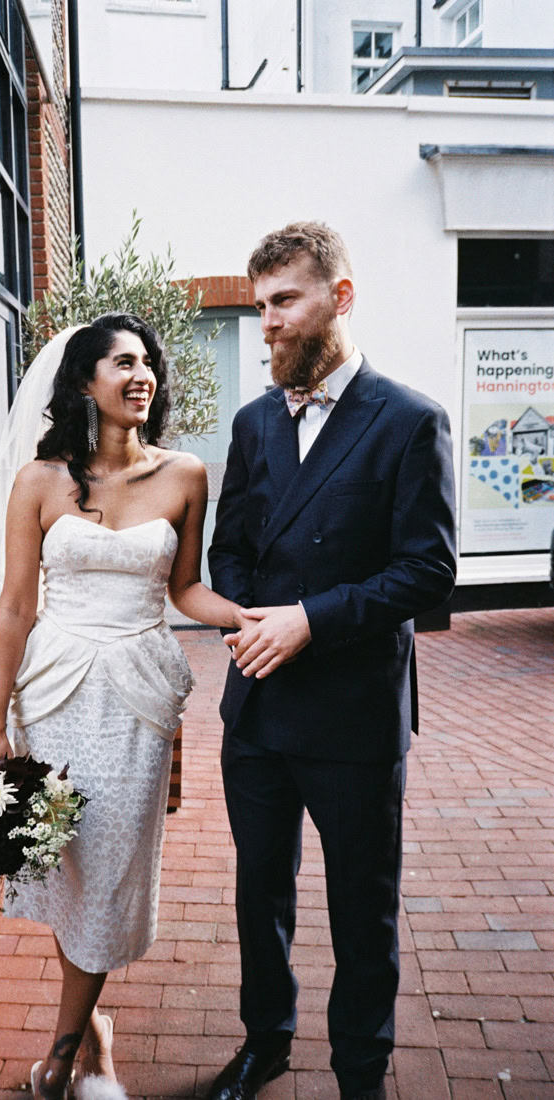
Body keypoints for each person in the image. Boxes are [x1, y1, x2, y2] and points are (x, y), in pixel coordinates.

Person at [207, 222, 457, 1100]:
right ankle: (264, 1042)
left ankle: (361, 1072)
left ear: (338, 298)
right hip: (260, 708)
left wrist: (309, 620)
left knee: (361, 909)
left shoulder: (410, 419)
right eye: (260, 304)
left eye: (284, 301)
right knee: (258, 899)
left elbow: (428, 572)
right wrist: (246, 619)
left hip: (353, 712)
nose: (266, 322)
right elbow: (228, 548)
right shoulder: (251, 423)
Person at [0, 314, 251, 1100]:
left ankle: (62, 1056)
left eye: (147, 364)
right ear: (84, 381)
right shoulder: (40, 481)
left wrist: (249, 618)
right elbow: (15, 608)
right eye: (121, 362)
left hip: (137, 697)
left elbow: (184, 591)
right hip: (55, 691)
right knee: (67, 866)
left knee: (109, 871)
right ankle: (92, 1037)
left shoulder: (186, 474)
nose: (141, 376)